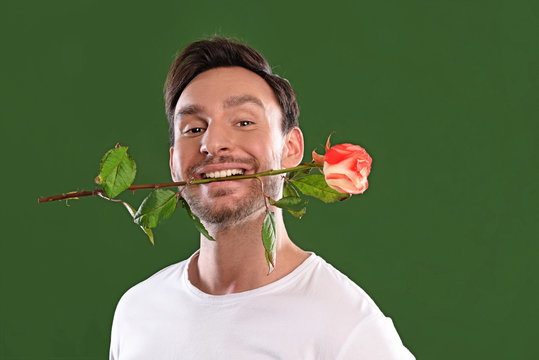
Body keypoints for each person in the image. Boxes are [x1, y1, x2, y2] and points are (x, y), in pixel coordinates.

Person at [109, 37, 415, 359]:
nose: (213, 143)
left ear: (291, 149)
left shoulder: (346, 326)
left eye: (244, 122)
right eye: (194, 129)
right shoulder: (137, 311)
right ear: (173, 162)